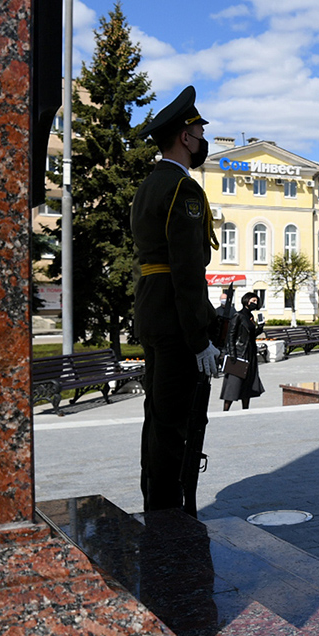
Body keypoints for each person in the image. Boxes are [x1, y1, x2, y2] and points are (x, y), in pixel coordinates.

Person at [131, 85, 220, 516]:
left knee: (157, 417)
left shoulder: (149, 185)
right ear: (185, 137)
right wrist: (199, 337)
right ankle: (166, 516)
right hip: (174, 318)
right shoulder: (183, 190)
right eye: (200, 131)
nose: (203, 139)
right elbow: (187, 272)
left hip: (152, 310)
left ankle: (155, 501)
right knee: (173, 424)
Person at [222, 291, 263, 410]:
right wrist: (232, 354)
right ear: (246, 300)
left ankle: (245, 409)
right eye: (253, 301)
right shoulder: (238, 316)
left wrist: (259, 329)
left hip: (250, 353)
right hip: (239, 353)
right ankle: (226, 410)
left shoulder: (250, 317)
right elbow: (231, 336)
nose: (255, 303)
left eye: (256, 301)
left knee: (248, 383)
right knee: (233, 384)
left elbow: (249, 336)